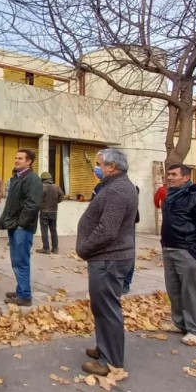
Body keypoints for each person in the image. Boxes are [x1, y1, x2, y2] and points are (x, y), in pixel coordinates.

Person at [76, 148, 138, 376]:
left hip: (109, 258)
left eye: (100, 164)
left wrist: (84, 248)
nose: (97, 168)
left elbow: (107, 230)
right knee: (101, 307)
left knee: (108, 308)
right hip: (108, 257)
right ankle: (104, 349)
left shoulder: (118, 190)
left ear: (112, 167)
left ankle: (111, 362)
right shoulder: (116, 186)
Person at [161, 164, 196, 346]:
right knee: (174, 290)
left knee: (192, 292)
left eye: (174, 174)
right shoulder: (171, 196)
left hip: (187, 251)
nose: (169, 177)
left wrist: (195, 253)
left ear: (185, 178)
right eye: (168, 174)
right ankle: (181, 323)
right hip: (169, 249)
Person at [0, 149, 43, 306]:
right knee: (16, 260)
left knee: (21, 261)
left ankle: (24, 296)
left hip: (22, 228)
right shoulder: (18, 178)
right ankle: (20, 290)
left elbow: (33, 204)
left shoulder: (32, 179)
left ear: (29, 161)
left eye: (20, 158)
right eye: (16, 158)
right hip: (15, 225)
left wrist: (21, 224)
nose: (16, 160)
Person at [37, 171, 65, 254]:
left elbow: (38, 199)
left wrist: (41, 206)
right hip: (54, 211)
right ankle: (55, 248)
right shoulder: (56, 187)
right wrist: (54, 203)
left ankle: (46, 248)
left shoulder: (40, 187)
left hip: (44, 211)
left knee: (44, 230)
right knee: (53, 230)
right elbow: (61, 197)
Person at [122, 186, 140, 294]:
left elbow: (136, 217)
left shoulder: (131, 188)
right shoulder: (100, 188)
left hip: (127, 229)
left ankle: (125, 282)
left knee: (128, 255)